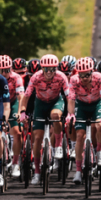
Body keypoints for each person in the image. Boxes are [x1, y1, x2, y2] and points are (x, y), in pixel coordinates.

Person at [20, 54, 70, 186]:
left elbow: (69, 97)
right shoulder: (36, 77)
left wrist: (70, 113)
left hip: (55, 102)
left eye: (52, 69)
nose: (49, 72)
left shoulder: (61, 77)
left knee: (55, 116)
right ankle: (37, 171)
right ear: (42, 69)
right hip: (40, 103)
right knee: (37, 138)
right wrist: (22, 112)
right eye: (46, 69)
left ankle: (58, 146)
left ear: (56, 69)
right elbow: (26, 96)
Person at [68, 57, 101, 185]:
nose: (84, 78)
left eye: (87, 74)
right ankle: (79, 171)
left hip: (96, 104)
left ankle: (99, 151)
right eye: (81, 75)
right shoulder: (74, 80)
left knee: (99, 125)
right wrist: (71, 115)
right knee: (80, 135)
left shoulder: (100, 78)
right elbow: (71, 100)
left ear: (92, 72)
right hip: (81, 105)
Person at [0, 55, 25, 178]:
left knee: (17, 133)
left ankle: (15, 163)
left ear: (11, 69)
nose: (4, 73)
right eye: (0, 70)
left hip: (12, 103)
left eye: (7, 70)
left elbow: (21, 97)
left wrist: (19, 112)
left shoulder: (16, 77)